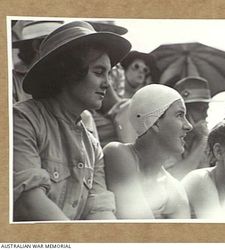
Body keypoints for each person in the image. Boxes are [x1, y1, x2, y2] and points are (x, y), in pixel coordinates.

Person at [13, 21, 131, 221]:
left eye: (109, 73)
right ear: (68, 72)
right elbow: (30, 203)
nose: (107, 84)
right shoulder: (23, 120)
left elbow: (100, 212)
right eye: (99, 72)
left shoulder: (93, 146)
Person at [103, 84, 192, 219]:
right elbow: (140, 230)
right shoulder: (117, 153)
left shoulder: (176, 189)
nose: (189, 126)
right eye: (180, 115)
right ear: (155, 122)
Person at [166, 76, 211, 180]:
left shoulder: (199, 137)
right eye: (200, 109)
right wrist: (202, 143)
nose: (205, 115)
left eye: (207, 109)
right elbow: (175, 177)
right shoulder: (166, 138)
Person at [12, 20, 64, 103]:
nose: (64, 51)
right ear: (37, 46)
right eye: (58, 44)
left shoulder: (68, 76)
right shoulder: (11, 82)